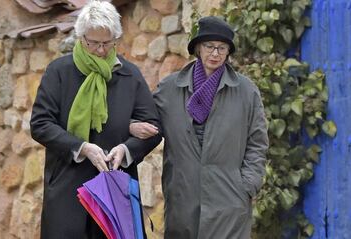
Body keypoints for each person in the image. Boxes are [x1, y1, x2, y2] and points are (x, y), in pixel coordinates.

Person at [30, 1, 161, 238]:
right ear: (81, 38)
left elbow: (154, 127)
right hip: (67, 187)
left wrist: (126, 149)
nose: (101, 50)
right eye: (93, 43)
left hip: (114, 189)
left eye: (107, 43)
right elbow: (40, 124)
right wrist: (82, 148)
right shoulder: (59, 72)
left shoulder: (129, 74)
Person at [130, 16, 269, 239]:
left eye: (222, 48)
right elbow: (147, 119)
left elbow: (257, 142)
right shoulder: (170, 88)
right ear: (197, 48)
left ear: (228, 53)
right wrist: (132, 125)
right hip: (183, 199)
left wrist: (247, 186)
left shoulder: (246, 91)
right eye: (209, 46)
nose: (215, 53)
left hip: (229, 201)